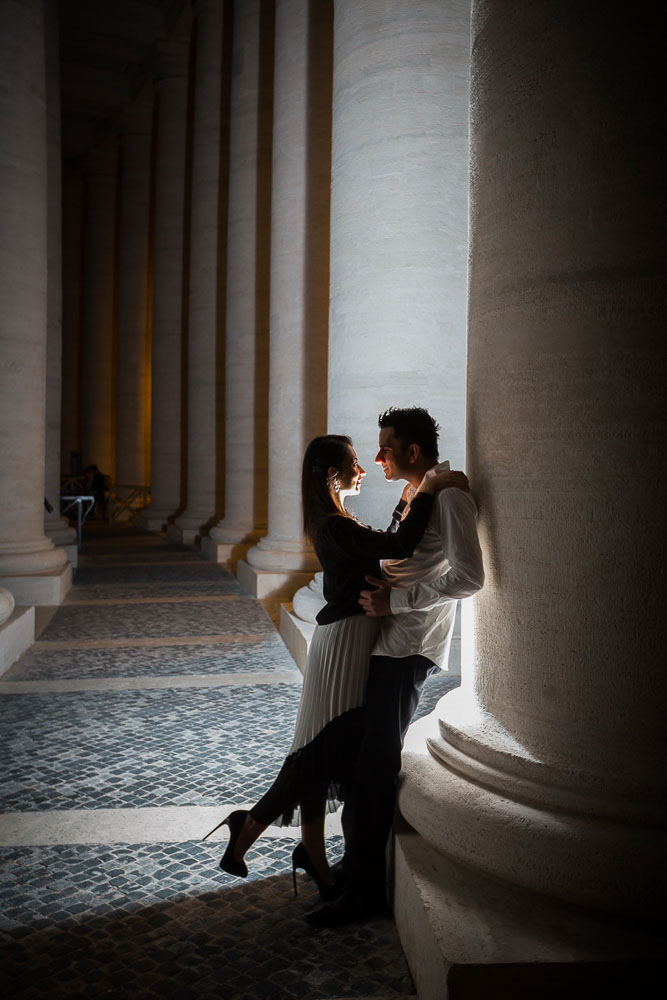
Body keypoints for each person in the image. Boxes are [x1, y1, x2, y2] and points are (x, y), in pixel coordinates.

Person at [202, 434, 467, 899]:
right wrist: (428, 486)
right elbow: (402, 542)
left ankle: (312, 853)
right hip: (344, 641)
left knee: (319, 747)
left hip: (347, 636)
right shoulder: (335, 524)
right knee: (320, 747)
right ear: (332, 475)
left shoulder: (336, 520)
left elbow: (392, 551)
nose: (365, 469)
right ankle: (252, 826)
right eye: (355, 463)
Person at [307, 407, 484, 927]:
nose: (378, 456)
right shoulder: (419, 492)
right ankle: (353, 868)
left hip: (408, 645)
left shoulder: (449, 497)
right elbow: (401, 557)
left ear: (410, 451)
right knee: (363, 760)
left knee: (374, 764)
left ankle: (365, 892)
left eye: (385, 448)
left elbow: (470, 577)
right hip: (385, 639)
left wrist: (397, 605)